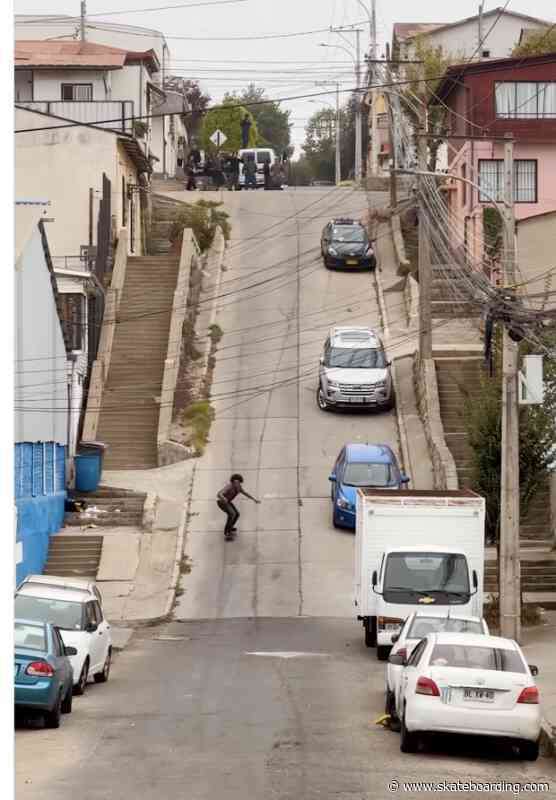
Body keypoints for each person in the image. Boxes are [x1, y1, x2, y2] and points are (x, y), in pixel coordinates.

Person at [217, 474, 260, 540]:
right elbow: (219, 494)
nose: (236, 484)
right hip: (222, 502)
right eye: (235, 482)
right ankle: (227, 533)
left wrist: (254, 499)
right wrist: (223, 498)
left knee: (237, 514)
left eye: (238, 482)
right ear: (233, 482)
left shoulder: (239, 487)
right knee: (232, 514)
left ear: (239, 482)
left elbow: (245, 493)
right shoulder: (229, 486)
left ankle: (230, 527)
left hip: (227, 502)